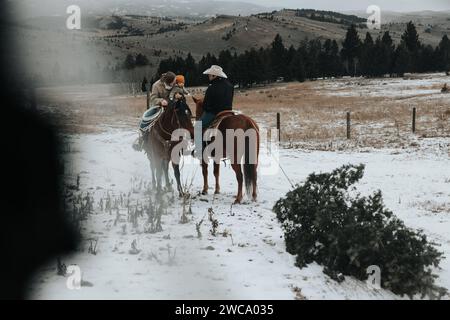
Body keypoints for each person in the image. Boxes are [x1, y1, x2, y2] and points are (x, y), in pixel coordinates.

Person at [133, 72, 176, 151]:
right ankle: (142, 139)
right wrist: (161, 101)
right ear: (167, 82)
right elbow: (153, 99)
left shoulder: (174, 82)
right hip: (159, 107)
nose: (174, 84)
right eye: (173, 83)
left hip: (172, 106)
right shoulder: (156, 85)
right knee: (145, 120)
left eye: (174, 82)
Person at [200, 65, 234, 129]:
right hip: (228, 112)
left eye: (210, 74)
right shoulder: (230, 86)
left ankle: (198, 139)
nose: (208, 76)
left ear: (214, 75)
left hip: (215, 113)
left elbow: (205, 104)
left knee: (197, 127)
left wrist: (206, 108)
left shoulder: (211, 87)